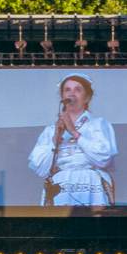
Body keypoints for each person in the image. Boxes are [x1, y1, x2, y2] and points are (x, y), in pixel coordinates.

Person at [26, 76, 117, 207]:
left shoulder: (99, 125)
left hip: (90, 184)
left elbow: (104, 158)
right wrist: (55, 139)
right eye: (67, 90)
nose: (71, 93)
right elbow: (40, 169)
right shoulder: (50, 130)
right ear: (62, 96)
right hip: (60, 187)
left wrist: (74, 132)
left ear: (87, 97)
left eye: (78, 90)